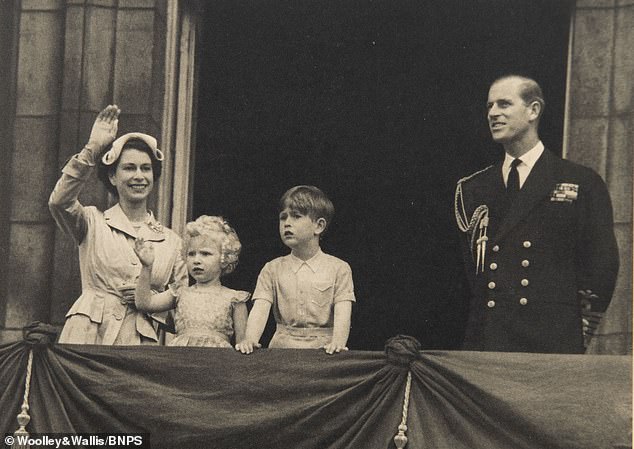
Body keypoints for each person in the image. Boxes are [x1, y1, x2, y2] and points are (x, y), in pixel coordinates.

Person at [454, 74, 619, 353]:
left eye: (504, 104)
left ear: (533, 110)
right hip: (489, 341)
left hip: (551, 339)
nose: (493, 113)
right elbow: (472, 272)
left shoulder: (580, 181)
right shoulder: (472, 188)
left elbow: (602, 265)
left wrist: (579, 330)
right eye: (489, 106)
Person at [48, 105, 188, 345]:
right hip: (88, 337)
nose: (139, 176)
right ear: (113, 176)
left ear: (154, 176)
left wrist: (150, 301)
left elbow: (185, 305)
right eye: (129, 168)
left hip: (137, 344)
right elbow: (60, 202)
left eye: (146, 169)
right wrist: (92, 149)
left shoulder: (172, 241)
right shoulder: (92, 222)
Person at [236, 185, 355, 354]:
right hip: (281, 351)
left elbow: (343, 311)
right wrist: (250, 339)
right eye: (283, 218)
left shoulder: (339, 268)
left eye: (296, 216)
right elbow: (260, 308)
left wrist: (338, 343)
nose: (287, 223)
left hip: (324, 352)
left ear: (319, 226)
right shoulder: (272, 268)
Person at [133, 215, 249, 347]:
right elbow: (144, 303)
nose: (196, 260)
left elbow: (242, 345)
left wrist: (246, 344)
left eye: (205, 254)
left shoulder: (234, 299)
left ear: (224, 258)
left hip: (217, 363)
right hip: (181, 361)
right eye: (191, 254)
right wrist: (147, 267)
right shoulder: (180, 292)